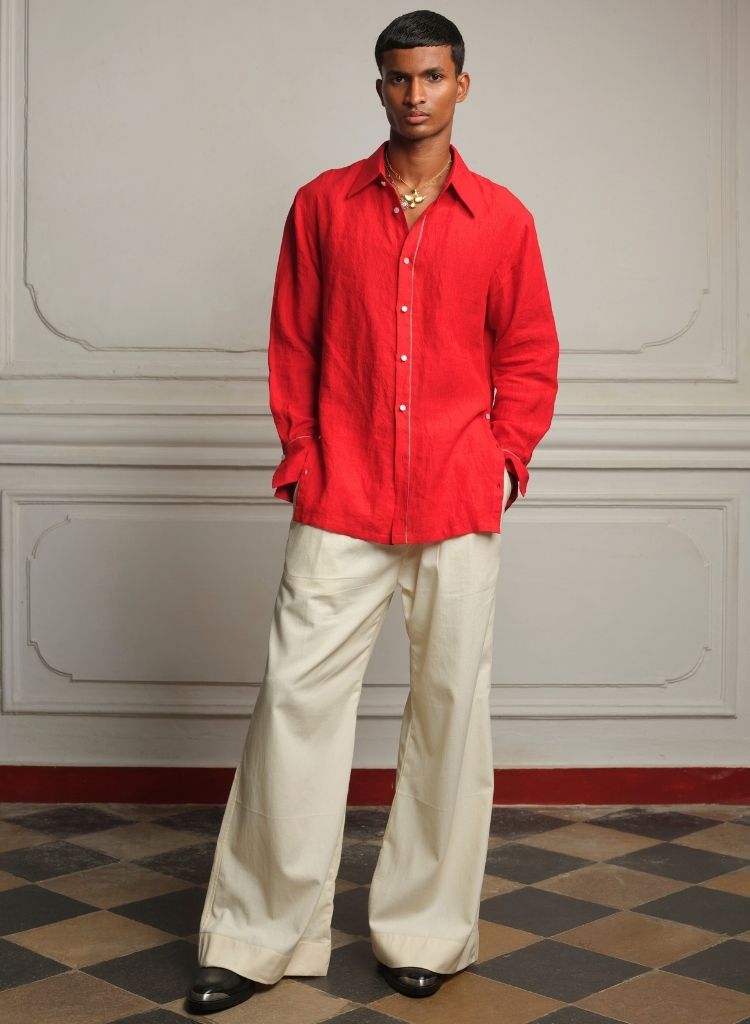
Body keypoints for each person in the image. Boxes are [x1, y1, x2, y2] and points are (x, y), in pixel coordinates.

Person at [186, 8, 559, 1016]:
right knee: (293, 709)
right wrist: (305, 460)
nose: (414, 94)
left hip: (458, 499)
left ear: (460, 85)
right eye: (399, 77)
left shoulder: (506, 221)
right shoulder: (322, 206)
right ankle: (257, 936)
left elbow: (529, 356)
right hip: (341, 494)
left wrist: (503, 465)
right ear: (380, 86)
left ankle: (425, 932)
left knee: (449, 718)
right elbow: (294, 344)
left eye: (432, 76)